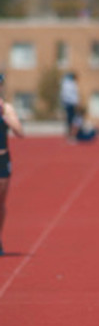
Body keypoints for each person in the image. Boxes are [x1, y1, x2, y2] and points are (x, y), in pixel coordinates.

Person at [0, 74, 25, 255]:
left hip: (2, 159)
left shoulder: (6, 108)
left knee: (0, 202)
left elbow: (19, 132)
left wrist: (5, 117)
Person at [60, 72, 79, 138]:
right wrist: (75, 102)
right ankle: (71, 134)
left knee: (70, 119)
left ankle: (71, 133)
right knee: (71, 119)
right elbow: (72, 94)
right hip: (70, 103)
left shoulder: (65, 84)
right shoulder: (70, 84)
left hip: (68, 103)